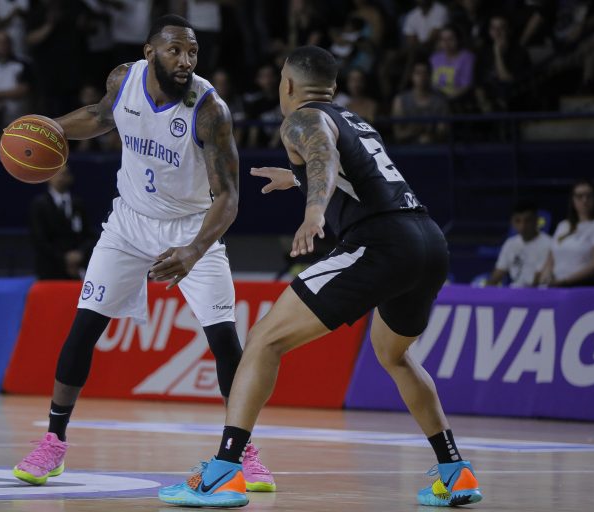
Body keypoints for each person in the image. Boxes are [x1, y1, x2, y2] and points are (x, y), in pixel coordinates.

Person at [158, 45, 482, 508]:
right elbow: (354, 172)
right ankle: (454, 471)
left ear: (287, 84)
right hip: (428, 242)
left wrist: (313, 212)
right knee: (394, 355)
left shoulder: (301, 118)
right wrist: (297, 178)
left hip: (380, 243)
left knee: (263, 340)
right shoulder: (354, 119)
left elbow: (323, 158)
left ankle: (224, 471)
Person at [12, 15, 275, 492]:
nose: (186, 60)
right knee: (84, 327)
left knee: (224, 341)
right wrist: (50, 129)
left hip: (192, 228)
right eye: (175, 50)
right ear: (150, 52)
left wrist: (194, 250)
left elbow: (229, 197)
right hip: (129, 223)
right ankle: (53, 441)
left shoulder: (209, 109)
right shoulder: (124, 79)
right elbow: (99, 116)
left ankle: (243, 451)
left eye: (192, 52)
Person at [538, 179, 594, 286]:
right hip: (559, 287)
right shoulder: (563, 225)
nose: (584, 200)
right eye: (579, 196)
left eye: (589, 196)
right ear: (572, 200)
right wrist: (545, 279)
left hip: (590, 287)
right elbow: (550, 260)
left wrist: (564, 282)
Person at [29, 166, 98, 280]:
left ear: (70, 178)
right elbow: (39, 239)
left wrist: (80, 254)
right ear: (48, 178)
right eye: (56, 173)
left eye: (64, 173)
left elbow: (88, 235)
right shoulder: (39, 204)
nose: (61, 177)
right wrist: (64, 258)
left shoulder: (78, 203)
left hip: (77, 269)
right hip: (50, 270)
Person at [486, 200, 551, 287]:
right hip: (515, 291)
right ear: (512, 222)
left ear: (536, 220)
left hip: (539, 292)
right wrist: (485, 290)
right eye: (518, 221)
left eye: (527, 221)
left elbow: (538, 280)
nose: (522, 226)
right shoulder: (510, 243)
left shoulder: (548, 244)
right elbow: (498, 273)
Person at [392, 59, 449, 144]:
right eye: (418, 73)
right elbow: (398, 134)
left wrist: (431, 136)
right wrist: (413, 131)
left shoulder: (440, 101)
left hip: (434, 147)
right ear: (411, 76)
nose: (422, 77)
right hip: (406, 147)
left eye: (425, 73)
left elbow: (443, 132)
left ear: (430, 75)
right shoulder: (400, 100)